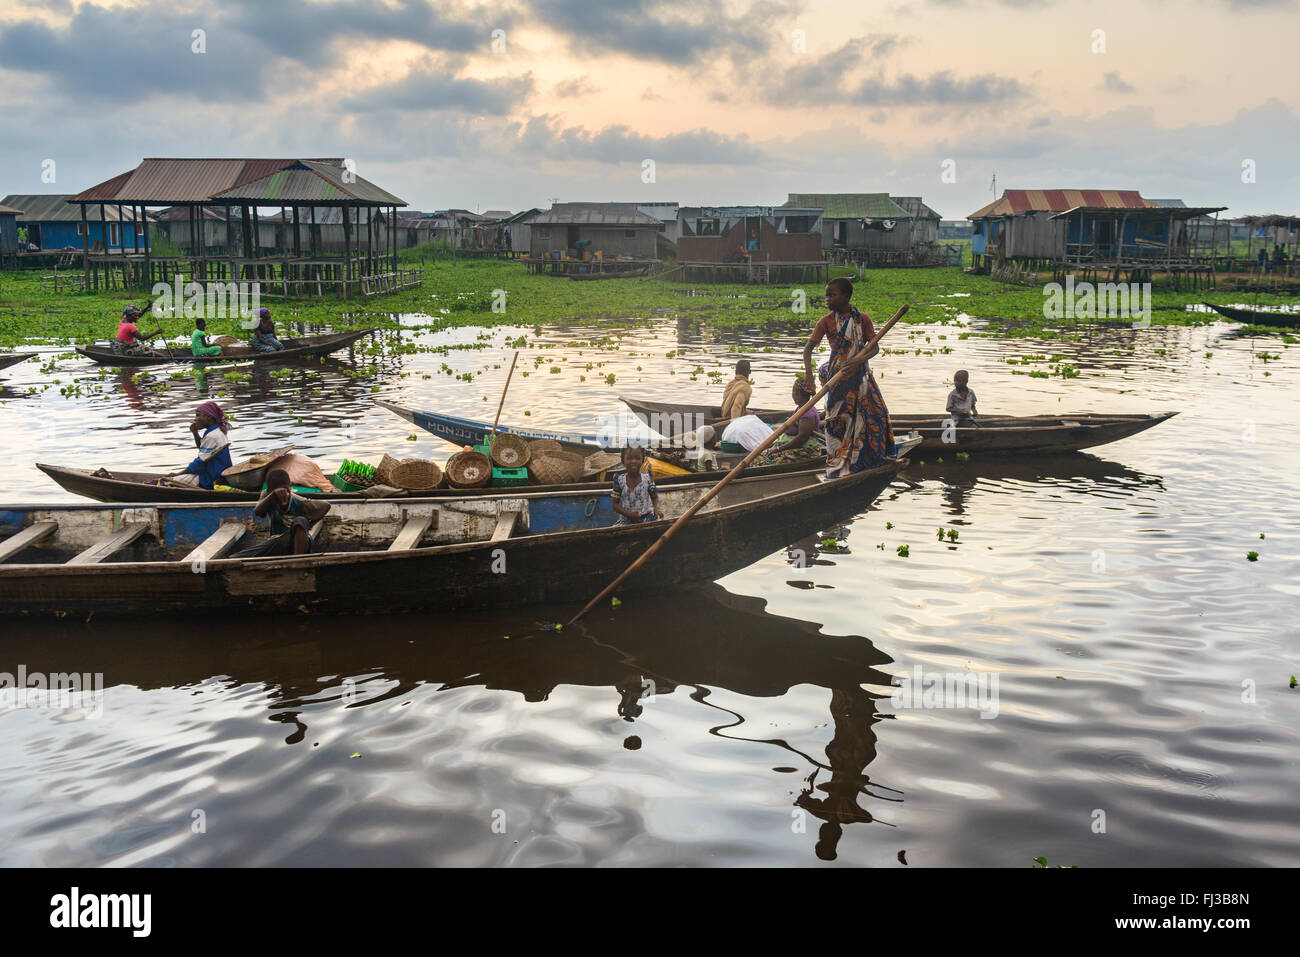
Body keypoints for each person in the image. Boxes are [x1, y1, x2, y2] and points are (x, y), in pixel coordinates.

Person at [801, 276, 894, 477]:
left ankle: (862, 460)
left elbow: (874, 347)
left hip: (860, 376)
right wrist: (809, 375)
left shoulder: (863, 319)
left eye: (832, 295)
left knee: (873, 415)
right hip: (838, 378)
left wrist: (858, 361)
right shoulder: (825, 322)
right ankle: (838, 462)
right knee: (836, 421)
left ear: (846, 296)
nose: (828, 299)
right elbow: (808, 350)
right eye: (826, 295)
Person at [233, 469, 332, 557]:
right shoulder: (267, 496)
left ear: (289, 488)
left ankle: (298, 561)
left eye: (284, 491)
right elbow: (257, 512)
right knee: (255, 551)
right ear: (270, 490)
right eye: (277, 492)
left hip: (301, 543)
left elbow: (326, 506)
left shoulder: (297, 501)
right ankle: (232, 559)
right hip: (279, 541)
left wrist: (310, 524)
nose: (282, 495)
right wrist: (272, 496)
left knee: (300, 520)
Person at [169, 401, 233, 489]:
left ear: (209, 417)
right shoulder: (218, 432)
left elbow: (199, 463)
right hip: (219, 474)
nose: (195, 419)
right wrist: (195, 433)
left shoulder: (211, 436)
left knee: (168, 482)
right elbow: (203, 449)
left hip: (210, 478)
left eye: (198, 415)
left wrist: (178, 474)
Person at [611, 446, 662, 525]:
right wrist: (628, 514)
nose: (633, 461)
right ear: (623, 461)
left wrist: (656, 509)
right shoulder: (619, 480)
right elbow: (615, 504)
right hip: (626, 520)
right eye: (629, 458)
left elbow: (654, 497)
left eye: (637, 458)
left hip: (646, 518)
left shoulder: (648, 478)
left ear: (642, 460)